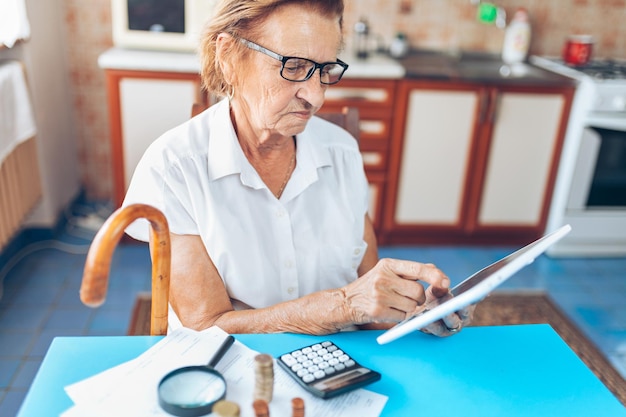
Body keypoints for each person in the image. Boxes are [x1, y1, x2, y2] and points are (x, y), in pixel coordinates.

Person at [123, 0, 472, 337]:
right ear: (228, 56)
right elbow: (205, 325)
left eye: (324, 70)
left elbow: (369, 308)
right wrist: (340, 306)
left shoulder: (342, 153)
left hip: (340, 370)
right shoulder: (172, 169)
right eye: (293, 67)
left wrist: (412, 311)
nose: (316, 97)